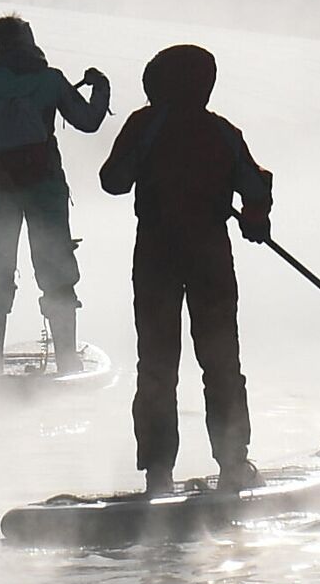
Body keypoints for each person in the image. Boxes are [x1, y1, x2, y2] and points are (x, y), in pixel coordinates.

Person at [99, 43, 273, 495]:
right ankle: (233, 465)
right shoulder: (222, 132)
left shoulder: (145, 124)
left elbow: (113, 181)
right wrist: (256, 218)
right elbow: (254, 185)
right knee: (220, 360)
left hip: (155, 255)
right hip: (209, 256)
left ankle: (158, 473)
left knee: (156, 364)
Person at [0, 15, 110, 374]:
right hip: (45, 186)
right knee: (55, 268)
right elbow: (88, 121)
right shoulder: (50, 79)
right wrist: (101, 88)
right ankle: (67, 360)